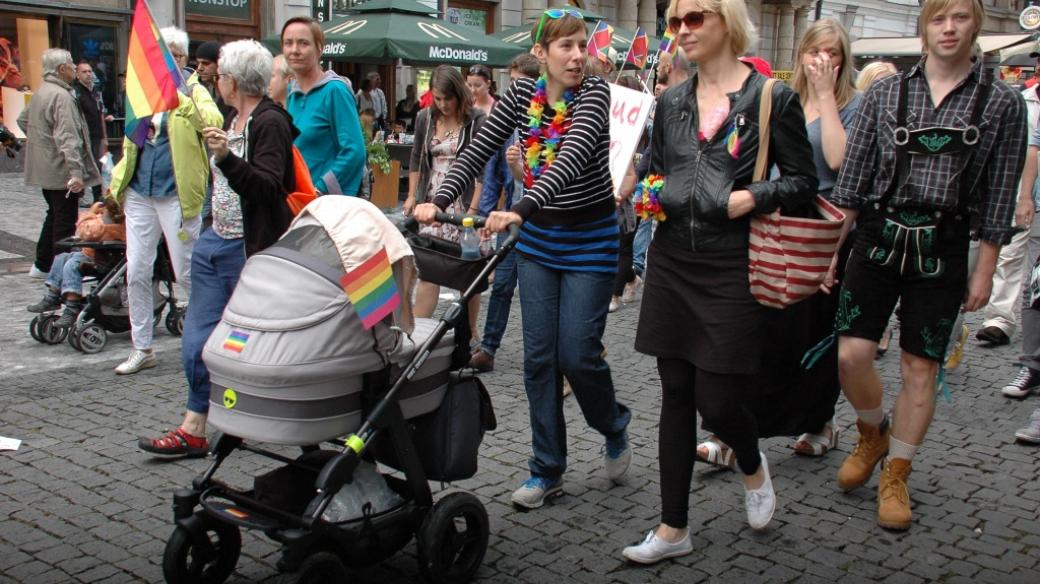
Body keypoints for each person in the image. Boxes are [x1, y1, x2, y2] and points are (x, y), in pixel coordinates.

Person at [622, 0, 817, 564]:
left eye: (695, 18)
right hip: (672, 263)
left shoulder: (770, 97)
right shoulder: (671, 101)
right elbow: (658, 172)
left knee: (719, 397)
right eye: (676, 20)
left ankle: (751, 463)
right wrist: (644, 193)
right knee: (676, 393)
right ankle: (673, 528)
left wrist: (754, 195)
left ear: (726, 23)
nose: (681, 30)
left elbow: (804, 180)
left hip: (734, 263)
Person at [414, 9, 633, 510]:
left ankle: (613, 423)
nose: (578, 56)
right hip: (538, 241)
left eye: (582, 45)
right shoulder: (519, 95)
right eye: (566, 47)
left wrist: (519, 208)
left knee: (577, 354)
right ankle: (546, 468)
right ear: (541, 54)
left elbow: (572, 156)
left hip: (589, 239)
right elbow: (478, 148)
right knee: (539, 359)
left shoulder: (596, 94)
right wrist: (442, 200)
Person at [828, 0, 1024, 531]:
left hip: (945, 242)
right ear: (924, 26)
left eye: (959, 16)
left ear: (974, 24)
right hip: (876, 234)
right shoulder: (886, 93)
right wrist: (831, 252)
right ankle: (873, 431)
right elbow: (852, 182)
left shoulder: (1004, 103)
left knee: (920, 366)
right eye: (938, 17)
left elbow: (1000, 195)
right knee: (851, 356)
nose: (949, 28)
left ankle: (897, 471)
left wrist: (984, 270)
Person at [696, 18, 861, 465]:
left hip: (823, 228)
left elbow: (837, 162)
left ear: (844, 60)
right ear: (801, 54)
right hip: (772, 220)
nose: (821, 61)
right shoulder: (778, 96)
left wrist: (826, 96)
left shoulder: (852, 105)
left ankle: (818, 420)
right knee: (756, 333)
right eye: (814, 52)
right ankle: (735, 431)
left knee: (812, 334)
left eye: (832, 53)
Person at [138, 40, 295, 457]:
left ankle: (234, 419)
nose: (215, 79)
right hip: (215, 241)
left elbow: (266, 186)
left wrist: (226, 157)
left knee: (247, 346)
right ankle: (194, 426)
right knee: (197, 342)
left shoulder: (270, 122)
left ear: (237, 80)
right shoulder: (230, 115)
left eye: (221, 74)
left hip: (249, 250)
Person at [107, 26, 223, 375]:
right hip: (140, 192)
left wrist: (184, 100)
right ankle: (142, 346)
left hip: (177, 195)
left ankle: (204, 343)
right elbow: (130, 141)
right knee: (137, 270)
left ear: (183, 60)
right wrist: (118, 183)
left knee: (187, 272)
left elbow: (213, 122)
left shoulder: (194, 89)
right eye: (161, 55)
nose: (167, 61)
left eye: (174, 55)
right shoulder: (140, 94)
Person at [470, 52, 541, 373]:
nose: (515, 92)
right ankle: (488, 347)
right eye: (511, 85)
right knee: (501, 285)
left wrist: (520, 168)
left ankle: (545, 354)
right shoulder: (508, 121)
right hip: (512, 218)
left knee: (537, 293)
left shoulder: (549, 120)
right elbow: (495, 174)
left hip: (541, 222)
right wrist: (485, 216)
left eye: (521, 85)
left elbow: (546, 178)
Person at [404, 65, 487, 339]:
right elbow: (416, 157)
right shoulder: (425, 118)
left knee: (467, 273)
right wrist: (412, 197)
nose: (442, 104)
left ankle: (470, 330)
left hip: (464, 201)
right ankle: (416, 333)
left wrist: (474, 213)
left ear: (458, 95)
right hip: (432, 201)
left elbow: (480, 170)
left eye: (447, 99)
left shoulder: (476, 120)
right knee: (430, 268)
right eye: (437, 98)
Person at [17, 48, 100, 279]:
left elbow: (23, 120)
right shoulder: (61, 96)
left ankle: (42, 265)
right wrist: (76, 173)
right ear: (61, 69)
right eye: (71, 63)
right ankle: (60, 273)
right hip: (61, 169)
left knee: (54, 215)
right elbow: (67, 138)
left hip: (49, 168)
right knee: (64, 222)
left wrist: (43, 143)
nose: (74, 67)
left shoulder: (44, 91)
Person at [976, 72, 1040, 347]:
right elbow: (1031, 149)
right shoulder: (1022, 98)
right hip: (1017, 189)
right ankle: (999, 320)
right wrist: (1024, 194)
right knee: (1010, 254)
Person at [631, 50, 693, 294]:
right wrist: (640, 175)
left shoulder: (689, 99)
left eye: (660, 64)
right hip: (659, 188)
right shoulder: (667, 101)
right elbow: (654, 149)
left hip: (683, 196)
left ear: (669, 66)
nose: (657, 68)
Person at [282, 16, 366, 195]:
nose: (294, 50)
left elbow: (354, 151)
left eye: (303, 43)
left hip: (324, 205)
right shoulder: (290, 92)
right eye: (288, 43)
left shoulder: (334, 91)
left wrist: (320, 188)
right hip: (295, 200)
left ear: (319, 49)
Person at [26, 199, 125, 327]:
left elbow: (85, 231)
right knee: (61, 258)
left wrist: (91, 213)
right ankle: (53, 296)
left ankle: (72, 306)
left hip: (100, 261)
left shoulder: (105, 225)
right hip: (95, 256)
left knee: (71, 265)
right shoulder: (111, 222)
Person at [73, 61, 107, 205]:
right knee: (84, 166)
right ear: (77, 74)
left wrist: (105, 137)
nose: (88, 74)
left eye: (89, 71)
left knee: (98, 166)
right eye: (84, 72)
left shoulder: (96, 91)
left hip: (97, 134)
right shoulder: (75, 92)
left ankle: (97, 197)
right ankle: (78, 196)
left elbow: (101, 114)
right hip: (83, 136)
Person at [195, 40, 232, 119]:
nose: (199, 68)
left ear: (220, 64)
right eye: (198, 64)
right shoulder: (201, 89)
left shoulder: (233, 94)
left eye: (206, 63)